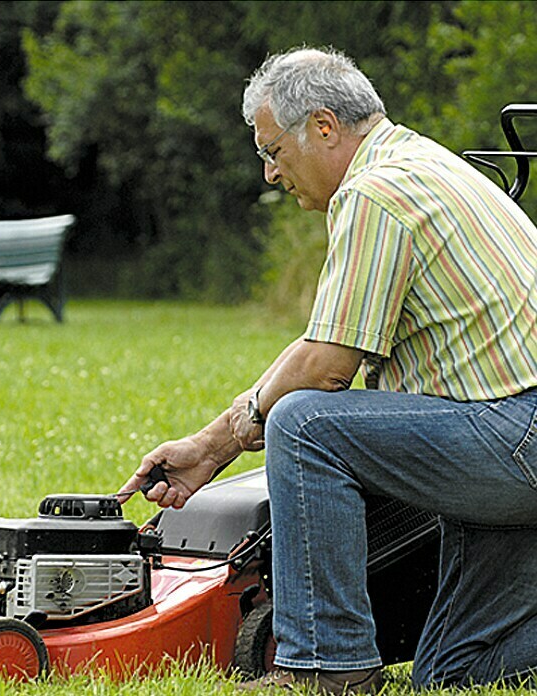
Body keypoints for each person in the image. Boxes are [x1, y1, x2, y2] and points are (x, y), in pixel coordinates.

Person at [120, 46, 537, 694]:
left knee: (306, 425)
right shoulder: (424, 163)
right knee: (454, 673)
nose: (267, 173)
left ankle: (324, 667)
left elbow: (326, 366)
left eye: (273, 151)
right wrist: (213, 443)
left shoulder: (377, 192)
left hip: (516, 436)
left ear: (322, 127)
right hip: (510, 438)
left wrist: (219, 442)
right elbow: (330, 346)